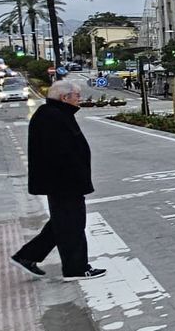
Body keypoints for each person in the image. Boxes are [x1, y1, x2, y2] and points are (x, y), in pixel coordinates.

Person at [10, 78, 105, 279]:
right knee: (73, 225)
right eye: (77, 96)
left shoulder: (54, 114)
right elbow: (60, 153)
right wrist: (75, 177)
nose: (80, 99)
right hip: (64, 183)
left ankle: (27, 256)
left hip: (64, 182)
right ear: (65, 97)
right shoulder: (52, 117)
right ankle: (76, 269)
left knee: (63, 223)